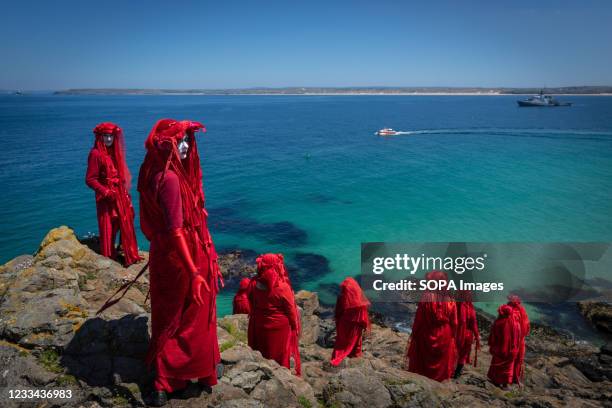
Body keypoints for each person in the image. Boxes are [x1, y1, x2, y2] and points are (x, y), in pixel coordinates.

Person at [138, 119, 224, 406]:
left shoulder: (150, 169)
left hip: (163, 252)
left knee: (168, 313)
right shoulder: (171, 179)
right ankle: (197, 371)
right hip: (184, 253)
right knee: (194, 316)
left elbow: (157, 221)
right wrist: (194, 271)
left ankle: (164, 379)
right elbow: (176, 229)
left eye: (188, 139)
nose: (186, 146)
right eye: (180, 140)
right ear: (166, 143)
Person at [85, 122, 141, 266]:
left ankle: (126, 251)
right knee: (109, 226)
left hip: (120, 194)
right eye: (105, 136)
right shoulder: (95, 154)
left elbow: (120, 176)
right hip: (106, 198)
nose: (109, 139)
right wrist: (105, 191)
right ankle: (110, 256)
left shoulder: (113, 152)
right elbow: (90, 179)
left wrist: (125, 194)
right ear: (100, 137)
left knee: (127, 218)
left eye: (111, 136)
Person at [247, 253, 301, 376]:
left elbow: (250, 300)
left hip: (259, 324)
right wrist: (294, 326)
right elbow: (291, 311)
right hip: (279, 328)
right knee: (279, 357)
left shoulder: (253, 283)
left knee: (263, 352)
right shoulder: (283, 287)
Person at [405, 270, 458, 382]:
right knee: (441, 362)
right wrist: (452, 336)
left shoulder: (427, 297)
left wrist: (415, 334)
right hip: (445, 334)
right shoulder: (450, 298)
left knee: (424, 362)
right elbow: (455, 322)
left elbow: (419, 319)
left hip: (427, 332)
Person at [330, 277, 370, 366]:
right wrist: (364, 326)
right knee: (356, 339)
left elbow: (338, 312)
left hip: (344, 324)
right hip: (356, 325)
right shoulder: (360, 301)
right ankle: (354, 354)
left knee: (341, 343)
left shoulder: (342, 298)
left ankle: (338, 356)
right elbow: (364, 317)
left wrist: (337, 320)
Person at [487, 304, 521, 387]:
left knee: (497, 366)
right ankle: (505, 384)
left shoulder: (498, 323)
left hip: (499, 350)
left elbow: (492, 338)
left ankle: (496, 382)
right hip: (512, 351)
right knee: (508, 367)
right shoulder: (516, 324)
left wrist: (492, 346)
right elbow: (519, 338)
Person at [453, 290, 480, 378]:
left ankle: (452, 371)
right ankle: (457, 373)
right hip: (467, 335)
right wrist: (477, 336)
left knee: (455, 352)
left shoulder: (455, 305)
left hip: (457, 333)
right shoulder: (470, 308)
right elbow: (474, 323)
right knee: (462, 355)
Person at [507, 294, 530, 384]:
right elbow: (527, 326)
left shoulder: (509, 310)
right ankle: (516, 378)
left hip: (512, 340)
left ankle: (509, 378)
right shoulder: (522, 310)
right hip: (521, 340)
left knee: (510, 359)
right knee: (518, 359)